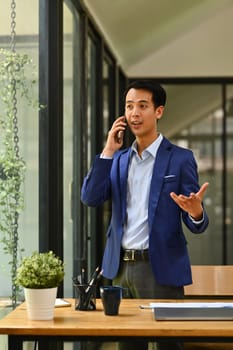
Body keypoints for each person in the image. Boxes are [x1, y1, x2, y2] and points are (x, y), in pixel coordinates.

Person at [81, 79, 209, 350]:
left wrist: (196, 212)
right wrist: (107, 151)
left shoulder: (180, 159)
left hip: (159, 268)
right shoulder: (118, 159)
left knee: (168, 345)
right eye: (129, 107)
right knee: (128, 346)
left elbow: (195, 222)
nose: (134, 113)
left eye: (142, 106)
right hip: (119, 270)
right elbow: (90, 197)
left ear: (158, 111)